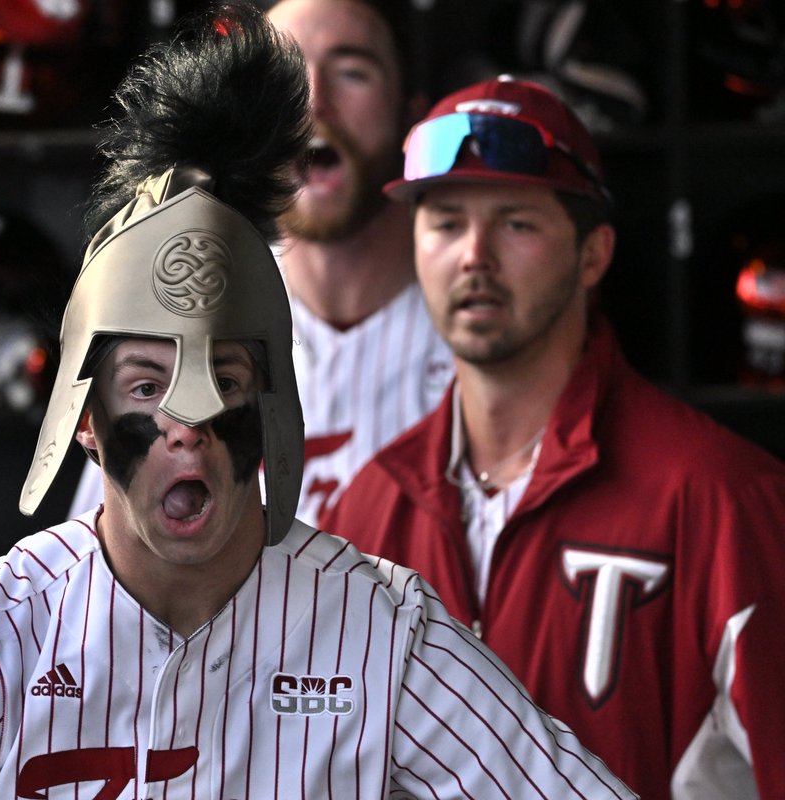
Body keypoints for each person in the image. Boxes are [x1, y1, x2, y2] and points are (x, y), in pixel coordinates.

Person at [0, 10, 634, 799]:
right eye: (145, 385)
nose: (189, 424)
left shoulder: (380, 633)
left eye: (230, 382)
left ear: (274, 415)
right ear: (85, 421)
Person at [322, 75, 785, 800]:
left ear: (593, 255)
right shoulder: (365, 517)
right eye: (445, 221)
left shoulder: (722, 499)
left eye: (516, 223)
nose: (473, 254)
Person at [68, 0, 453, 526]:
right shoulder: (183, 319)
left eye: (353, 72)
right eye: (282, 79)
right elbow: (107, 565)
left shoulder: (478, 330)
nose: (315, 102)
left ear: (412, 115)